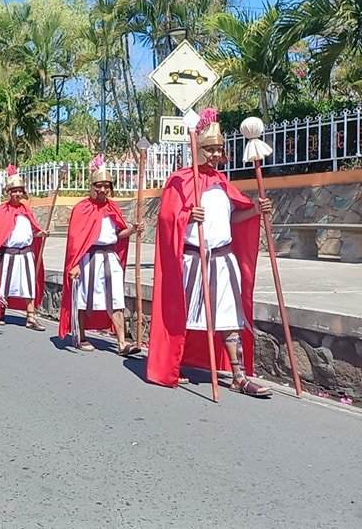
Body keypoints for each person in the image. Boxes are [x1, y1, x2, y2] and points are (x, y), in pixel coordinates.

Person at [146, 107, 271, 397]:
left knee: (229, 317)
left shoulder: (221, 182)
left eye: (219, 149)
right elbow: (167, 219)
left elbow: (233, 217)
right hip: (193, 261)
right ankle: (175, 363)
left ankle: (239, 376)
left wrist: (255, 210)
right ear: (198, 149)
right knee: (186, 316)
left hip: (223, 260)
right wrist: (188, 216)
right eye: (211, 149)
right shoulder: (180, 180)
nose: (216, 154)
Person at [58, 156, 144, 354]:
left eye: (107, 186)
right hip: (89, 260)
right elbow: (76, 241)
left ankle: (122, 343)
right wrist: (75, 264)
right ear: (92, 186)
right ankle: (81, 336)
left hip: (110, 258)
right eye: (99, 185)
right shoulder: (82, 208)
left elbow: (118, 234)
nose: (103, 189)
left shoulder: (112, 207)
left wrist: (132, 230)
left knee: (116, 299)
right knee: (84, 299)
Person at [0, 166, 48, 331]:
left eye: (20, 191)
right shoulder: (2, 210)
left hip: (26, 253)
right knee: (5, 284)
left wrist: (41, 233)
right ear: (9, 193)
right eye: (14, 191)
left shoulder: (26, 210)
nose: (17, 194)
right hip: (9, 254)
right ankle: (1, 312)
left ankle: (31, 317)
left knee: (29, 285)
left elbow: (32, 231)